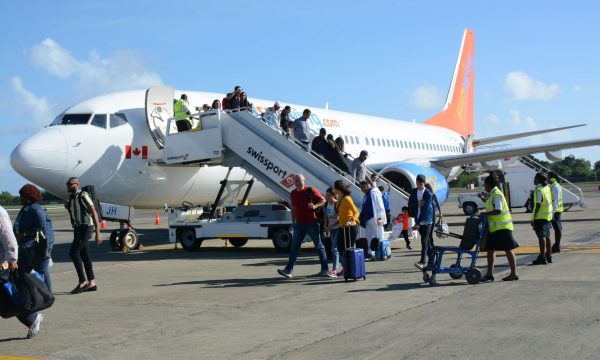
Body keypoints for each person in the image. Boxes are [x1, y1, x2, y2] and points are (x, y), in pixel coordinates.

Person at [0, 205, 44, 338]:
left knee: (9, 297)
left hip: (3, 263)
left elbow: (7, 235)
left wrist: (12, 258)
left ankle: (31, 318)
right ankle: (31, 318)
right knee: (6, 299)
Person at [277, 174, 330, 278]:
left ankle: (325, 269)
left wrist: (315, 205)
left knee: (319, 246)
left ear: (304, 181)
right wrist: (293, 222)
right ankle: (288, 270)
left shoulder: (310, 190)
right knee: (294, 247)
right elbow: (293, 208)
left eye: (299, 180)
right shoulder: (293, 193)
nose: (297, 182)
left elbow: (323, 200)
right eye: (296, 180)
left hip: (312, 223)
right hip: (300, 224)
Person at [13, 184, 55, 292]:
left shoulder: (36, 210)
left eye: (21, 196)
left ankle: (47, 294)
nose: (20, 198)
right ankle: (33, 295)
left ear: (28, 197)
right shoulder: (26, 208)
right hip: (26, 246)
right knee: (25, 271)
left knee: (41, 271)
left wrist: (24, 234)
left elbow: (41, 230)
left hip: (37, 245)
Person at [64, 177, 102, 293]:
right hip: (78, 228)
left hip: (86, 227)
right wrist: (68, 207)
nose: (68, 186)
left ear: (76, 185)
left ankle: (82, 282)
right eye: (67, 184)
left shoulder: (83, 195)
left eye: (70, 184)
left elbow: (94, 212)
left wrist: (98, 233)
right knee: (85, 255)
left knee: (73, 252)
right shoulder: (72, 198)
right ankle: (92, 283)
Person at [480, 173, 519, 281]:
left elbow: (498, 210)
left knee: (508, 249)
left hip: (503, 227)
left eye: (485, 185)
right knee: (490, 249)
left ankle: (514, 273)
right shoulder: (493, 194)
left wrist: (485, 214)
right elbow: (490, 204)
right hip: (495, 228)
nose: (484, 187)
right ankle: (489, 273)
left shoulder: (496, 194)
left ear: (489, 185)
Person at [332, 180, 360, 276]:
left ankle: (349, 268)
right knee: (341, 248)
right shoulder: (339, 197)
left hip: (350, 227)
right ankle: (347, 267)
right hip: (342, 227)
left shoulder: (347, 198)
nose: (333, 189)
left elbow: (356, 212)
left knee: (347, 249)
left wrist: (352, 220)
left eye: (334, 187)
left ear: (337, 188)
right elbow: (342, 212)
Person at [408, 174, 434, 270]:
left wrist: (418, 223)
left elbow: (425, 209)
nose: (418, 186)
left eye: (420, 184)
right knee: (427, 243)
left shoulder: (428, 193)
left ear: (423, 183)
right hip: (418, 219)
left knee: (424, 240)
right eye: (417, 184)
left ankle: (423, 261)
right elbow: (410, 203)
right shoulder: (414, 191)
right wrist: (417, 203)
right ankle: (432, 260)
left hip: (427, 220)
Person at [358, 180, 386, 258]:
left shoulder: (373, 192)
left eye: (361, 187)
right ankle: (371, 252)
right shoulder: (366, 194)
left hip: (374, 217)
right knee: (369, 236)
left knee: (378, 235)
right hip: (368, 219)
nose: (361, 189)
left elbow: (379, 206)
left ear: (366, 185)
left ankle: (381, 252)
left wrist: (380, 218)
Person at [530, 172, 554, 265]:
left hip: (540, 217)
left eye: (535, 178)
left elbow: (538, 204)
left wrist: (533, 218)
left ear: (538, 180)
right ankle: (549, 256)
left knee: (541, 237)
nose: (533, 180)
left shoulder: (539, 190)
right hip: (547, 216)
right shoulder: (547, 188)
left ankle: (542, 257)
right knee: (547, 236)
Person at [323, 188, 340, 277]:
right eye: (326, 195)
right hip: (331, 228)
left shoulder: (337, 204)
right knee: (336, 249)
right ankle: (342, 268)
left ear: (333, 196)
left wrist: (330, 226)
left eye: (329, 196)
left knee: (334, 248)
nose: (327, 197)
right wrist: (326, 225)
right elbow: (325, 216)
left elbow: (339, 219)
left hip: (338, 228)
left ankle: (334, 269)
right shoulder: (326, 204)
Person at [548, 171, 564, 253]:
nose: (547, 178)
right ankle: (557, 244)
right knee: (558, 228)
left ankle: (557, 245)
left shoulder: (555, 187)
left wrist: (552, 212)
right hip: (557, 210)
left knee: (557, 228)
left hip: (555, 211)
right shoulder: (555, 186)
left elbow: (555, 201)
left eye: (548, 177)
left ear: (552, 178)